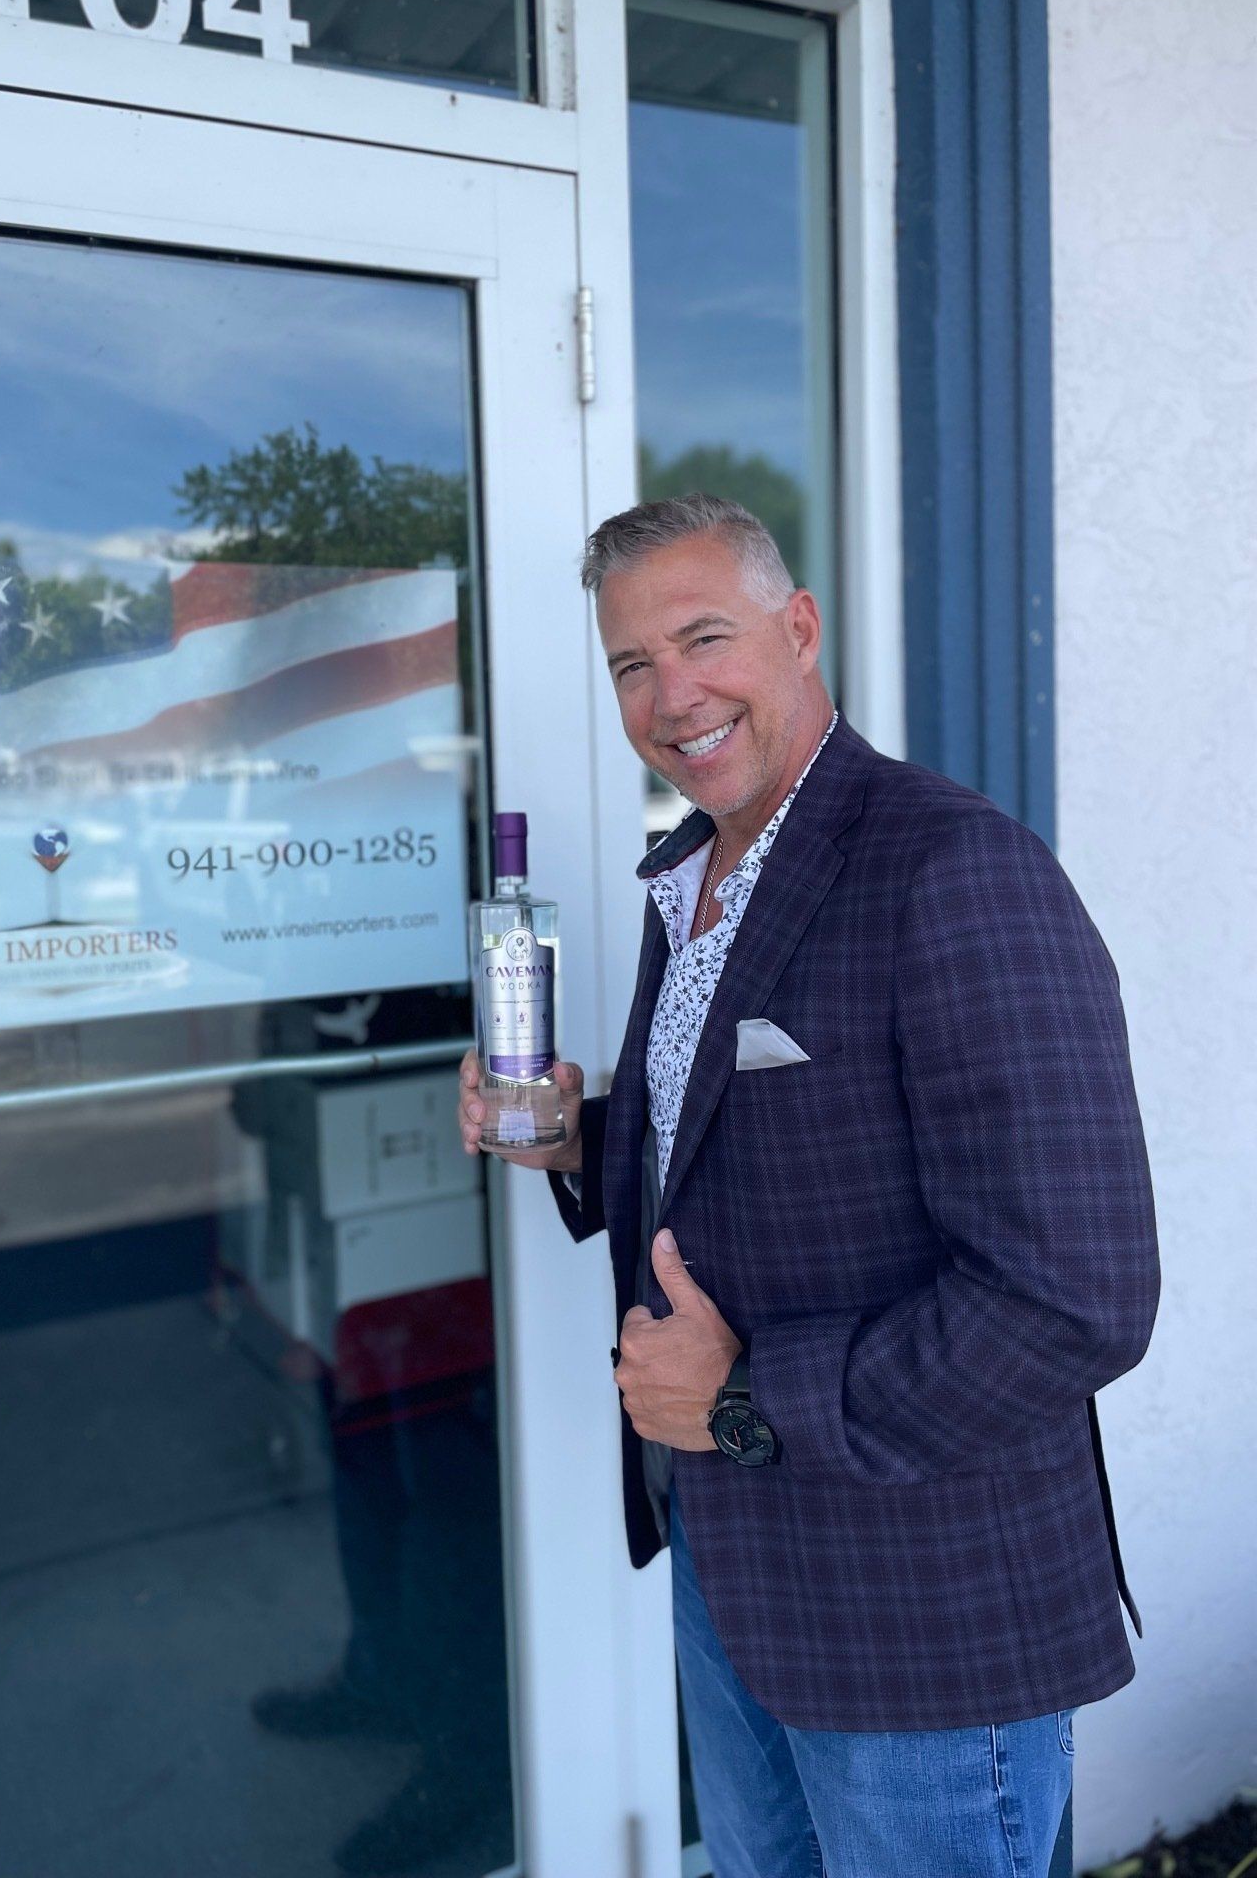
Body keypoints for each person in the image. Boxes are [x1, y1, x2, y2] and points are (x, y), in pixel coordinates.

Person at [457, 493, 1160, 1878]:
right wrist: (580, 1139)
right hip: (736, 1567)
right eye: (630, 665)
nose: (672, 695)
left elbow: (1080, 1300)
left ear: (799, 628)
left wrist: (739, 1392)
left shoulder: (955, 871)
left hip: (926, 1622)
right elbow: (762, 1152)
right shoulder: (696, 876)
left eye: (703, 637)